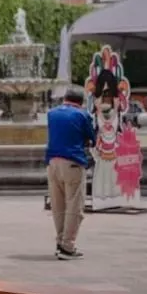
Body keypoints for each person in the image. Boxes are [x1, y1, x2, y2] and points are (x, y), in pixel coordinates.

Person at [45, 87, 95, 260]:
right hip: (73, 162)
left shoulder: (51, 113)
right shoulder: (82, 115)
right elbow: (92, 138)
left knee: (58, 205)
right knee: (74, 205)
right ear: (80, 102)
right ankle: (68, 246)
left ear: (65, 98)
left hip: (52, 162)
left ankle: (60, 241)